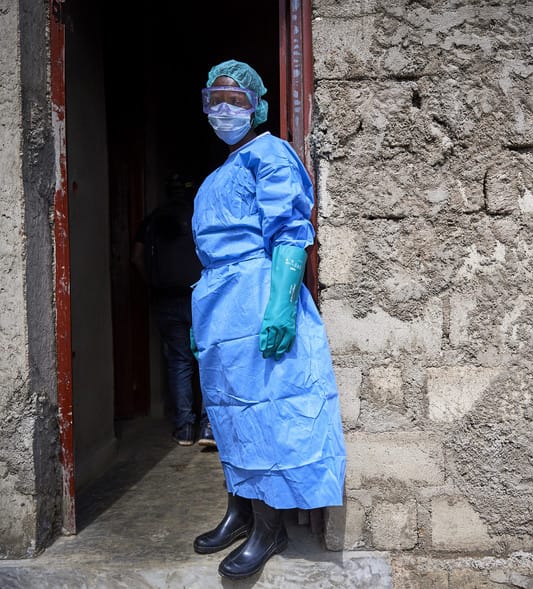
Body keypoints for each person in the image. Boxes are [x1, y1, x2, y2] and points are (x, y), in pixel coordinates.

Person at [189, 59, 347, 580]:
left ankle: (268, 524)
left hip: (257, 293)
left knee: (267, 412)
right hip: (219, 302)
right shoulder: (217, 173)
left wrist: (280, 304)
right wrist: (200, 314)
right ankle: (239, 510)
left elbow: (289, 231)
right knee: (230, 411)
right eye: (216, 99)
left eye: (236, 100)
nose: (224, 110)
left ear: (257, 105)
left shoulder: (269, 153)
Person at [132, 176, 214, 448]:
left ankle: (185, 429)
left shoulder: (153, 220)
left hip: (166, 298)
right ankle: (208, 427)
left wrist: (152, 284)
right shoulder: (201, 215)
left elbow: (136, 257)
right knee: (206, 359)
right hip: (199, 296)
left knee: (179, 361)